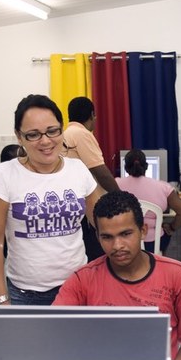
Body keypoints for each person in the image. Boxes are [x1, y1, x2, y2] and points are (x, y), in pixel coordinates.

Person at [53, 190, 181, 360]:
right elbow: (55, 330)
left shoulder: (177, 275)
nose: (117, 246)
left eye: (126, 234)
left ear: (143, 231)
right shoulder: (82, 279)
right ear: (98, 237)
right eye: (107, 237)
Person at [0, 94, 100, 307]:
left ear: (61, 129)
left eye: (52, 131)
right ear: (19, 136)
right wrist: (1, 300)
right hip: (25, 295)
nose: (45, 141)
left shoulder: (78, 170)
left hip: (78, 286)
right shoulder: (3, 175)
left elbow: (102, 224)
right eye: (33, 135)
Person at [64, 96, 120, 261]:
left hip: (73, 203)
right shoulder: (82, 134)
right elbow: (100, 171)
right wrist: (120, 196)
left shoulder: (66, 134)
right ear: (92, 115)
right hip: (87, 205)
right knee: (97, 257)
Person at [116, 149, 181, 255]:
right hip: (154, 242)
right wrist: (171, 227)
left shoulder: (115, 184)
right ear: (146, 166)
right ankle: (158, 261)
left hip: (125, 241)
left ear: (126, 168)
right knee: (164, 234)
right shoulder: (163, 187)